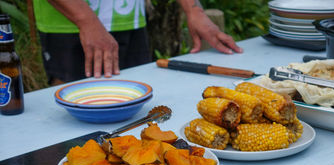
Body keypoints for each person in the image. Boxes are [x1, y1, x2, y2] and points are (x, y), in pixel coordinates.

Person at [32, 0, 243, 85]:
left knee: (137, 118)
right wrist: (86, 21)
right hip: (70, 26)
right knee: (74, 130)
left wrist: (193, 9)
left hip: (130, 21)